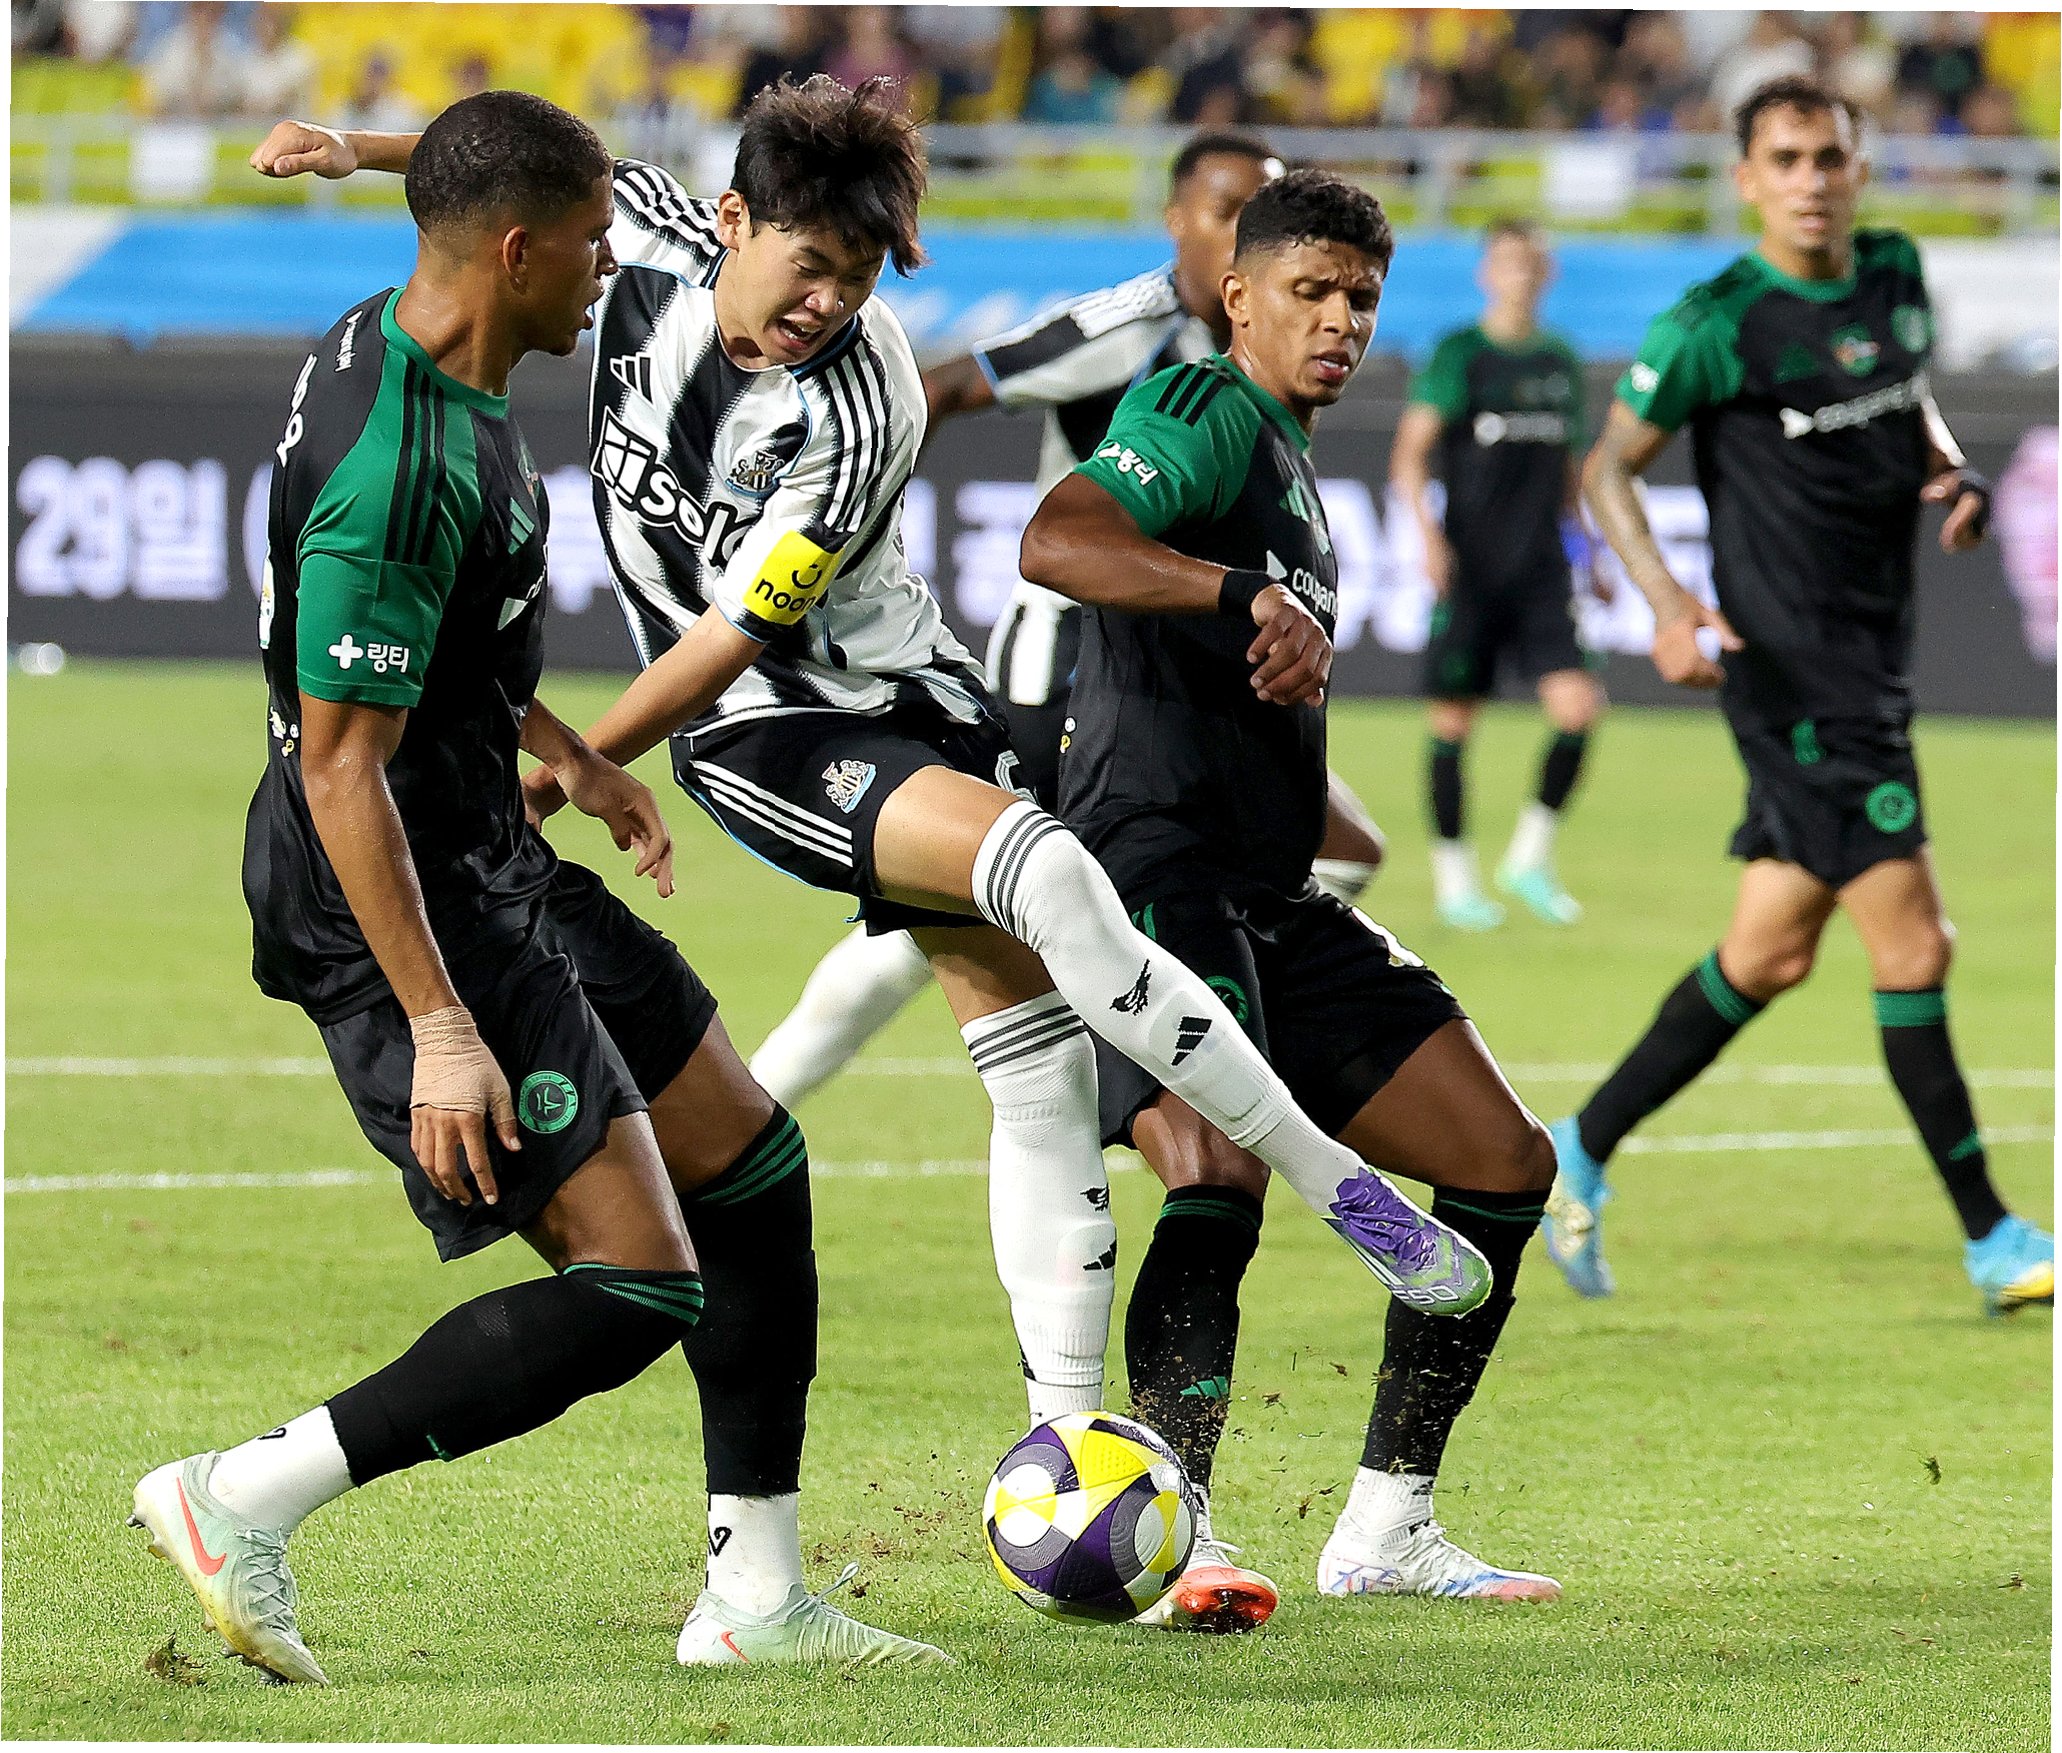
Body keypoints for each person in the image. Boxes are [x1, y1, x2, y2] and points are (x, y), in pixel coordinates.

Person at [261, 79, 1492, 1452]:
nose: (826, 304)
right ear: (731, 220)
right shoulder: (645, 236)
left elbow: (742, 619)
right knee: (1050, 877)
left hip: (913, 694)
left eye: (854, 279)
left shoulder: (865, 404)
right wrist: (355, 150)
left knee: (1035, 1070)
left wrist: (573, 763)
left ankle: (1065, 1443)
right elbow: (520, 174)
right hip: (761, 729)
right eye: (808, 266)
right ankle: (1330, 1181)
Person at [133, 92, 946, 1686]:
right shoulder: (401, 464)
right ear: (513, 252)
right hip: (398, 893)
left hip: (485, 846)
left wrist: (566, 750)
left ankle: (754, 1597)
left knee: (750, 1166)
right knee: (639, 1280)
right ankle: (240, 1496)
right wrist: (441, 1026)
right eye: (584, 247)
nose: (608, 271)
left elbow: (434, 663)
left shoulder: (434, 351)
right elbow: (340, 768)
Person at [1021, 168, 1564, 1631]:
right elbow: (1057, 539)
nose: (1338, 321)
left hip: (1270, 893)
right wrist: (1240, 597)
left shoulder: (1291, 462)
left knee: (1503, 1162)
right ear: (1238, 297)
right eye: (1309, 292)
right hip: (1149, 882)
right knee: (1213, 1169)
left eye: (1359, 299)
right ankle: (1177, 1533)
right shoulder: (1199, 408)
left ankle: (1388, 1525)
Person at [1545, 75, 2054, 1317]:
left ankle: (1576, 1148)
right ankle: (1993, 1237)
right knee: (1914, 942)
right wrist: (1669, 603)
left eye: (1828, 156)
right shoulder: (1713, 324)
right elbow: (1606, 470)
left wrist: (1951, 475)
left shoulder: (1892, 272)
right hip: (1792, 676)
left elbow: (1907, 400)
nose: (1809, 180)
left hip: (1874, 660)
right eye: (1783, 159)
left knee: (1767, 952)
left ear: (1859, 167)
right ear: (1745, 179)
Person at [751, 131, 1387, 1113]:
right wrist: (848, 531)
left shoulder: (1265, 354)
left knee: (1332, 849)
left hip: (1179, 679)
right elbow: (950, 385)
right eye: (1222, 211)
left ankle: (1181, 1031)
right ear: (1177, 220)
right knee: (946, 917)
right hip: (1066, 666)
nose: (1238, 231)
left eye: (1254, 213)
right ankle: (759, 1106)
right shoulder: (1127, 325)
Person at [1390, 217, 1607, 930]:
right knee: (1454, 723)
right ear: (1487, 272)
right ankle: (1455, 882)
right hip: (1472, 569)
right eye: (1510, 262)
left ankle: (1529, 859)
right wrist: (1428, 539)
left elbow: (1570, 472)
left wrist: (1593, 552)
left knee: (1578, 710)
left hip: (1542, 569)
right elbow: (1410, 455)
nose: (1522, 275)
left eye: (1533, 263)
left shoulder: (1558, 360)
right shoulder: (1462, 354)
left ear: (1548, 274)